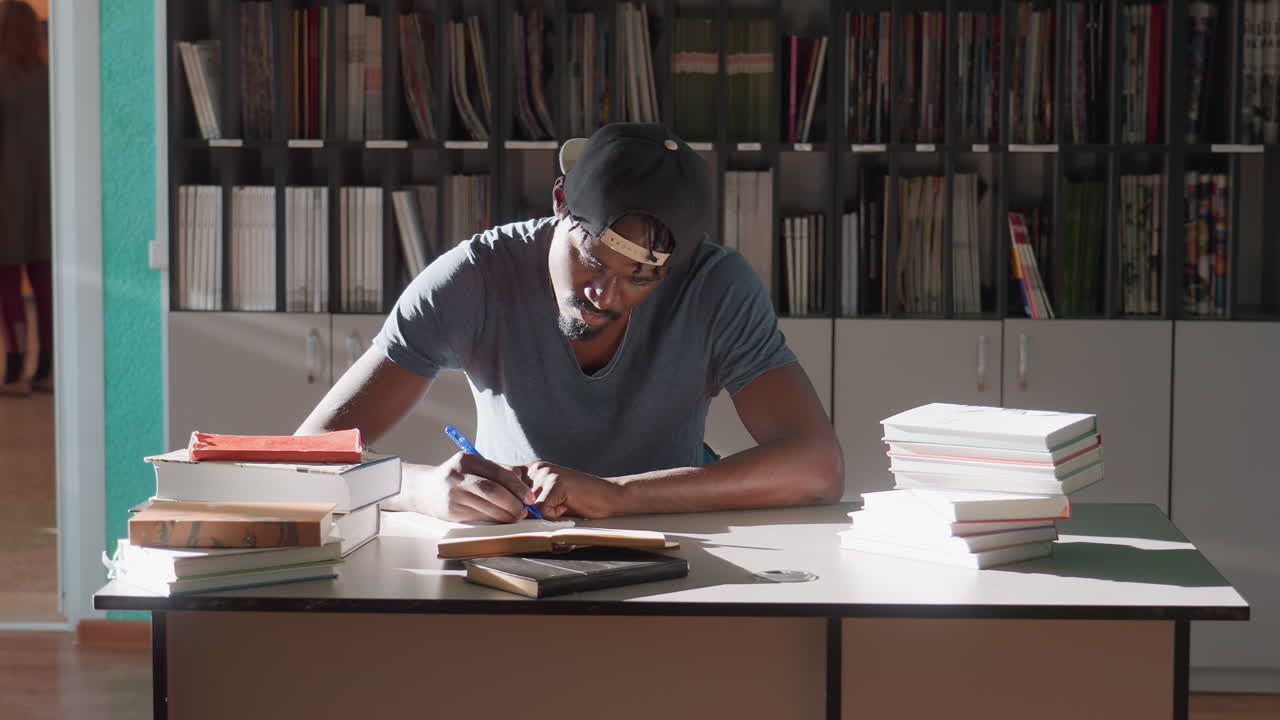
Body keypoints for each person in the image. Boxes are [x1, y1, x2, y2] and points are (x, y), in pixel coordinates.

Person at [297, 123, 843, 521]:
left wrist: (619, 495)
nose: (604, 294)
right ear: (560, 201)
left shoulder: (716, 284)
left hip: (672, 543)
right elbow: (308, 456)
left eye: (641, 278)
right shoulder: (474, 277)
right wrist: (418, 489)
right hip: (510, 541)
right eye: (593, 257)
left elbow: (818, 469)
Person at [0, 0, 51, 396]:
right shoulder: (50, 79)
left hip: (5, 195)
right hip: (46, 193)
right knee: (46, 283)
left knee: (7, 284)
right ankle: (47, 366)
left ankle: (15, 365)